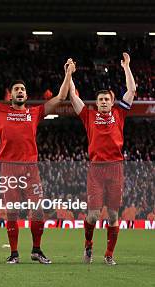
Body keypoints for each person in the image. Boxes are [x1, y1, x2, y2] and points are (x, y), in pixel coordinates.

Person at [0, 54, 74, 264]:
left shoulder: (35, 113)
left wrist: (68, 72)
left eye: (22, 89)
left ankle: (36, 250)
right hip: (9, 168)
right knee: (12, 212)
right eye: (16, 89)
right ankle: (14, 253)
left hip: (31, 169)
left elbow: (60, 97)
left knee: (38, 209)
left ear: (26, 94)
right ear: (10, 94)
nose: (20, 92)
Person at [67, 53, 136, 265]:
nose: (104, 102)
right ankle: (88, 245)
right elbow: (72, 96)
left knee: (114, 216)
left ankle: (109, 255)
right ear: (96, 103)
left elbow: (132, 90)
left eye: (107, 99)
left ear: (112, 101)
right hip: (96, 170)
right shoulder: (88, 115)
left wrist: (126, 67)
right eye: (100, 100)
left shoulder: (119, 113)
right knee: (94, 215)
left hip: (115, 169)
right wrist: (69, 73)